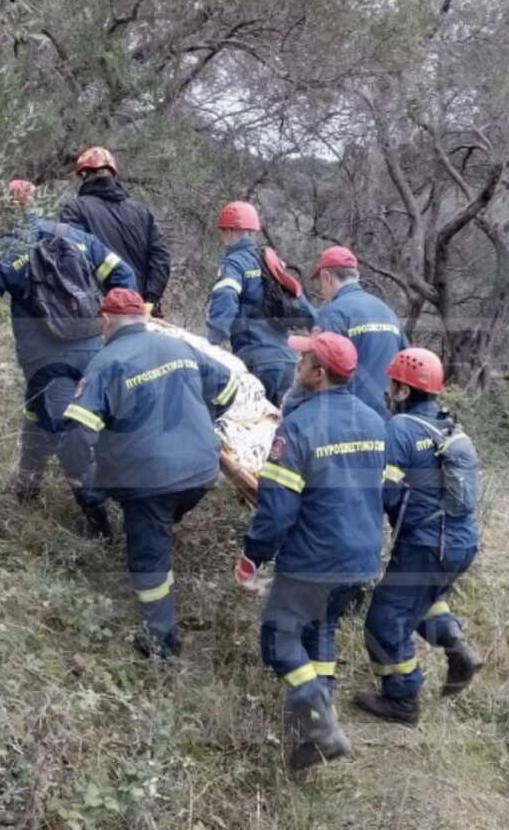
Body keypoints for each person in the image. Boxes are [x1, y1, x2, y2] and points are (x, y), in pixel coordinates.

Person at [234, 331, 385, 770]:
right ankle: (315, 727)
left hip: (315, 558)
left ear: (318, 374)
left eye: (302, 363)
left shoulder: (297, 428)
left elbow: (277, 511)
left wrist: (251, 557)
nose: (296, 368)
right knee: (319, 631)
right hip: (360, 558)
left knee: (278, 640)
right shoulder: (375, 421)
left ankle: (321, 727)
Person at [60, 288, 238, 658]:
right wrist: (201, 422)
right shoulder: (178, 346)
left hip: (150, 480)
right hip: (203, 470)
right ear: (144, 317)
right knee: (155, 510)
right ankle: (148, 522)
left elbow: (76, 431)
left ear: (105, 322)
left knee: (149, 559)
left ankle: (160, 644)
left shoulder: (107, 362)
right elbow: (230, 386)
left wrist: (81, 476)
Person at [0, 179, 136, 502]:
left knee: (69, 436)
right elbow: (125, 278)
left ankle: (96, 521)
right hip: (94, 344)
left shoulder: (3, 250)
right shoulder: (76, 237)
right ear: (38, 203)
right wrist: (118, 328)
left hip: (44, 356)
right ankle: (27, 486)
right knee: (40, 410)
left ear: (2, 210)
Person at [357, 348, 483, 725]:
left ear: (402, 389)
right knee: (423, 598)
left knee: (384, 621)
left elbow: (386, 492)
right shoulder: (448, 424)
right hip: (461, 543)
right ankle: (457, 648)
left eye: (392, 383)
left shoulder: (400, 429)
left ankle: (402, 699)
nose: (388, 389)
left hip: (427, 545)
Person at [204, 200, 316, 406]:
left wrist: (212, 342)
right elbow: (299, 300)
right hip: (287, 361)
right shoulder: (270, 262)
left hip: (256, 362)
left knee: (253, 429)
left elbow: (226, 298)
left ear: (229, 231)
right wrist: (318, 328)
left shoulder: (234, 264)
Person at [60, 146, 172, 317]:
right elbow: (161, 257)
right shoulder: (141, 212)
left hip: (102, 315)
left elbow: (73, 259)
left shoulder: (75, 209)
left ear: (84, 175)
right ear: (113, 174)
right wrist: (150, 300)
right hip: (141, 313)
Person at [308, 246, 406, 420]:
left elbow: (316, 372)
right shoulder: (387, 312)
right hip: (387, 419)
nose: (322, 290)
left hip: (347, 422)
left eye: (320, 282)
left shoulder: (333, 313)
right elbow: (405, 361)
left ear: (326, 277)